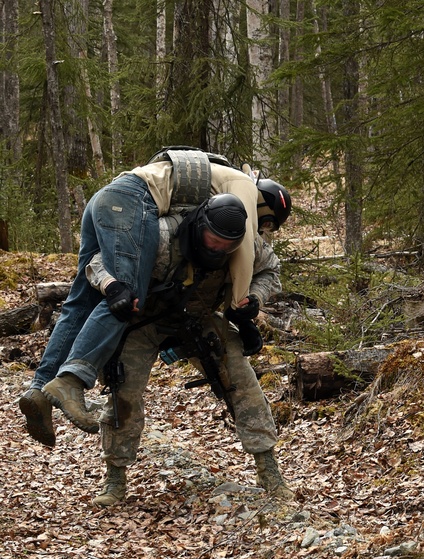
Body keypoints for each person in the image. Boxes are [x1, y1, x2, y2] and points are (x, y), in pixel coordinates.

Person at [17, 152, 291, 446]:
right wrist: (238, 304)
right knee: (126, 294)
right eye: (268, 225)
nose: (263, 232)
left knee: (79, 303)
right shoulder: (239, 194)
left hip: (107, 200)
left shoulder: (214, 193)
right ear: (264, 204)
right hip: (129, 203)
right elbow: (246, 252)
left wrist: (255, 300)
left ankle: (39, 388)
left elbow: (266, 268)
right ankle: (71, 381)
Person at [88, 194, 293, 506]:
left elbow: (270, 270)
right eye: (214, 240)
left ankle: (269, 469)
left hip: (199, 319)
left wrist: (255, 297)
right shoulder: (158, 235)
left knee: (243, 381)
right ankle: (115, 478)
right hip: (143, 319)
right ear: (200, 226)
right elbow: (98, 261)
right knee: (123, 392)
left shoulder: (248, 244)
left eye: (228, 244)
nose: (220, 249)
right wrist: (113, 288)